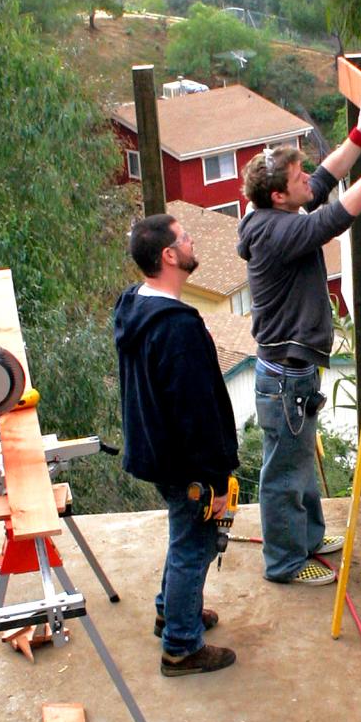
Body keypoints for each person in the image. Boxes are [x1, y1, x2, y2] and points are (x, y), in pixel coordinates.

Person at [237, 99, 361, 586]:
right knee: (284, 475)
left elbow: (326, 182)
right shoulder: (275, 233)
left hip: (292, 372)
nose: (307, 181)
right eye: (298, 179)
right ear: (278, 197)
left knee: (300, 462)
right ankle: (285, 562)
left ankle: (306, 538)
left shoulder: (271, 211)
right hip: (285, 375)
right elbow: (335, 217)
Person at [114, 213, 240, 675]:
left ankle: (173, 611)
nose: (191, 242)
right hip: (185, 462)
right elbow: (196, 413)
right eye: (185, 239)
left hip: (156, 452)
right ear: (169, 256)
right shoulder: (177, 328)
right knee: (195, 545)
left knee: (183, 534)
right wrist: (215, 476)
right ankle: (182, 647)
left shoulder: (136, 305)